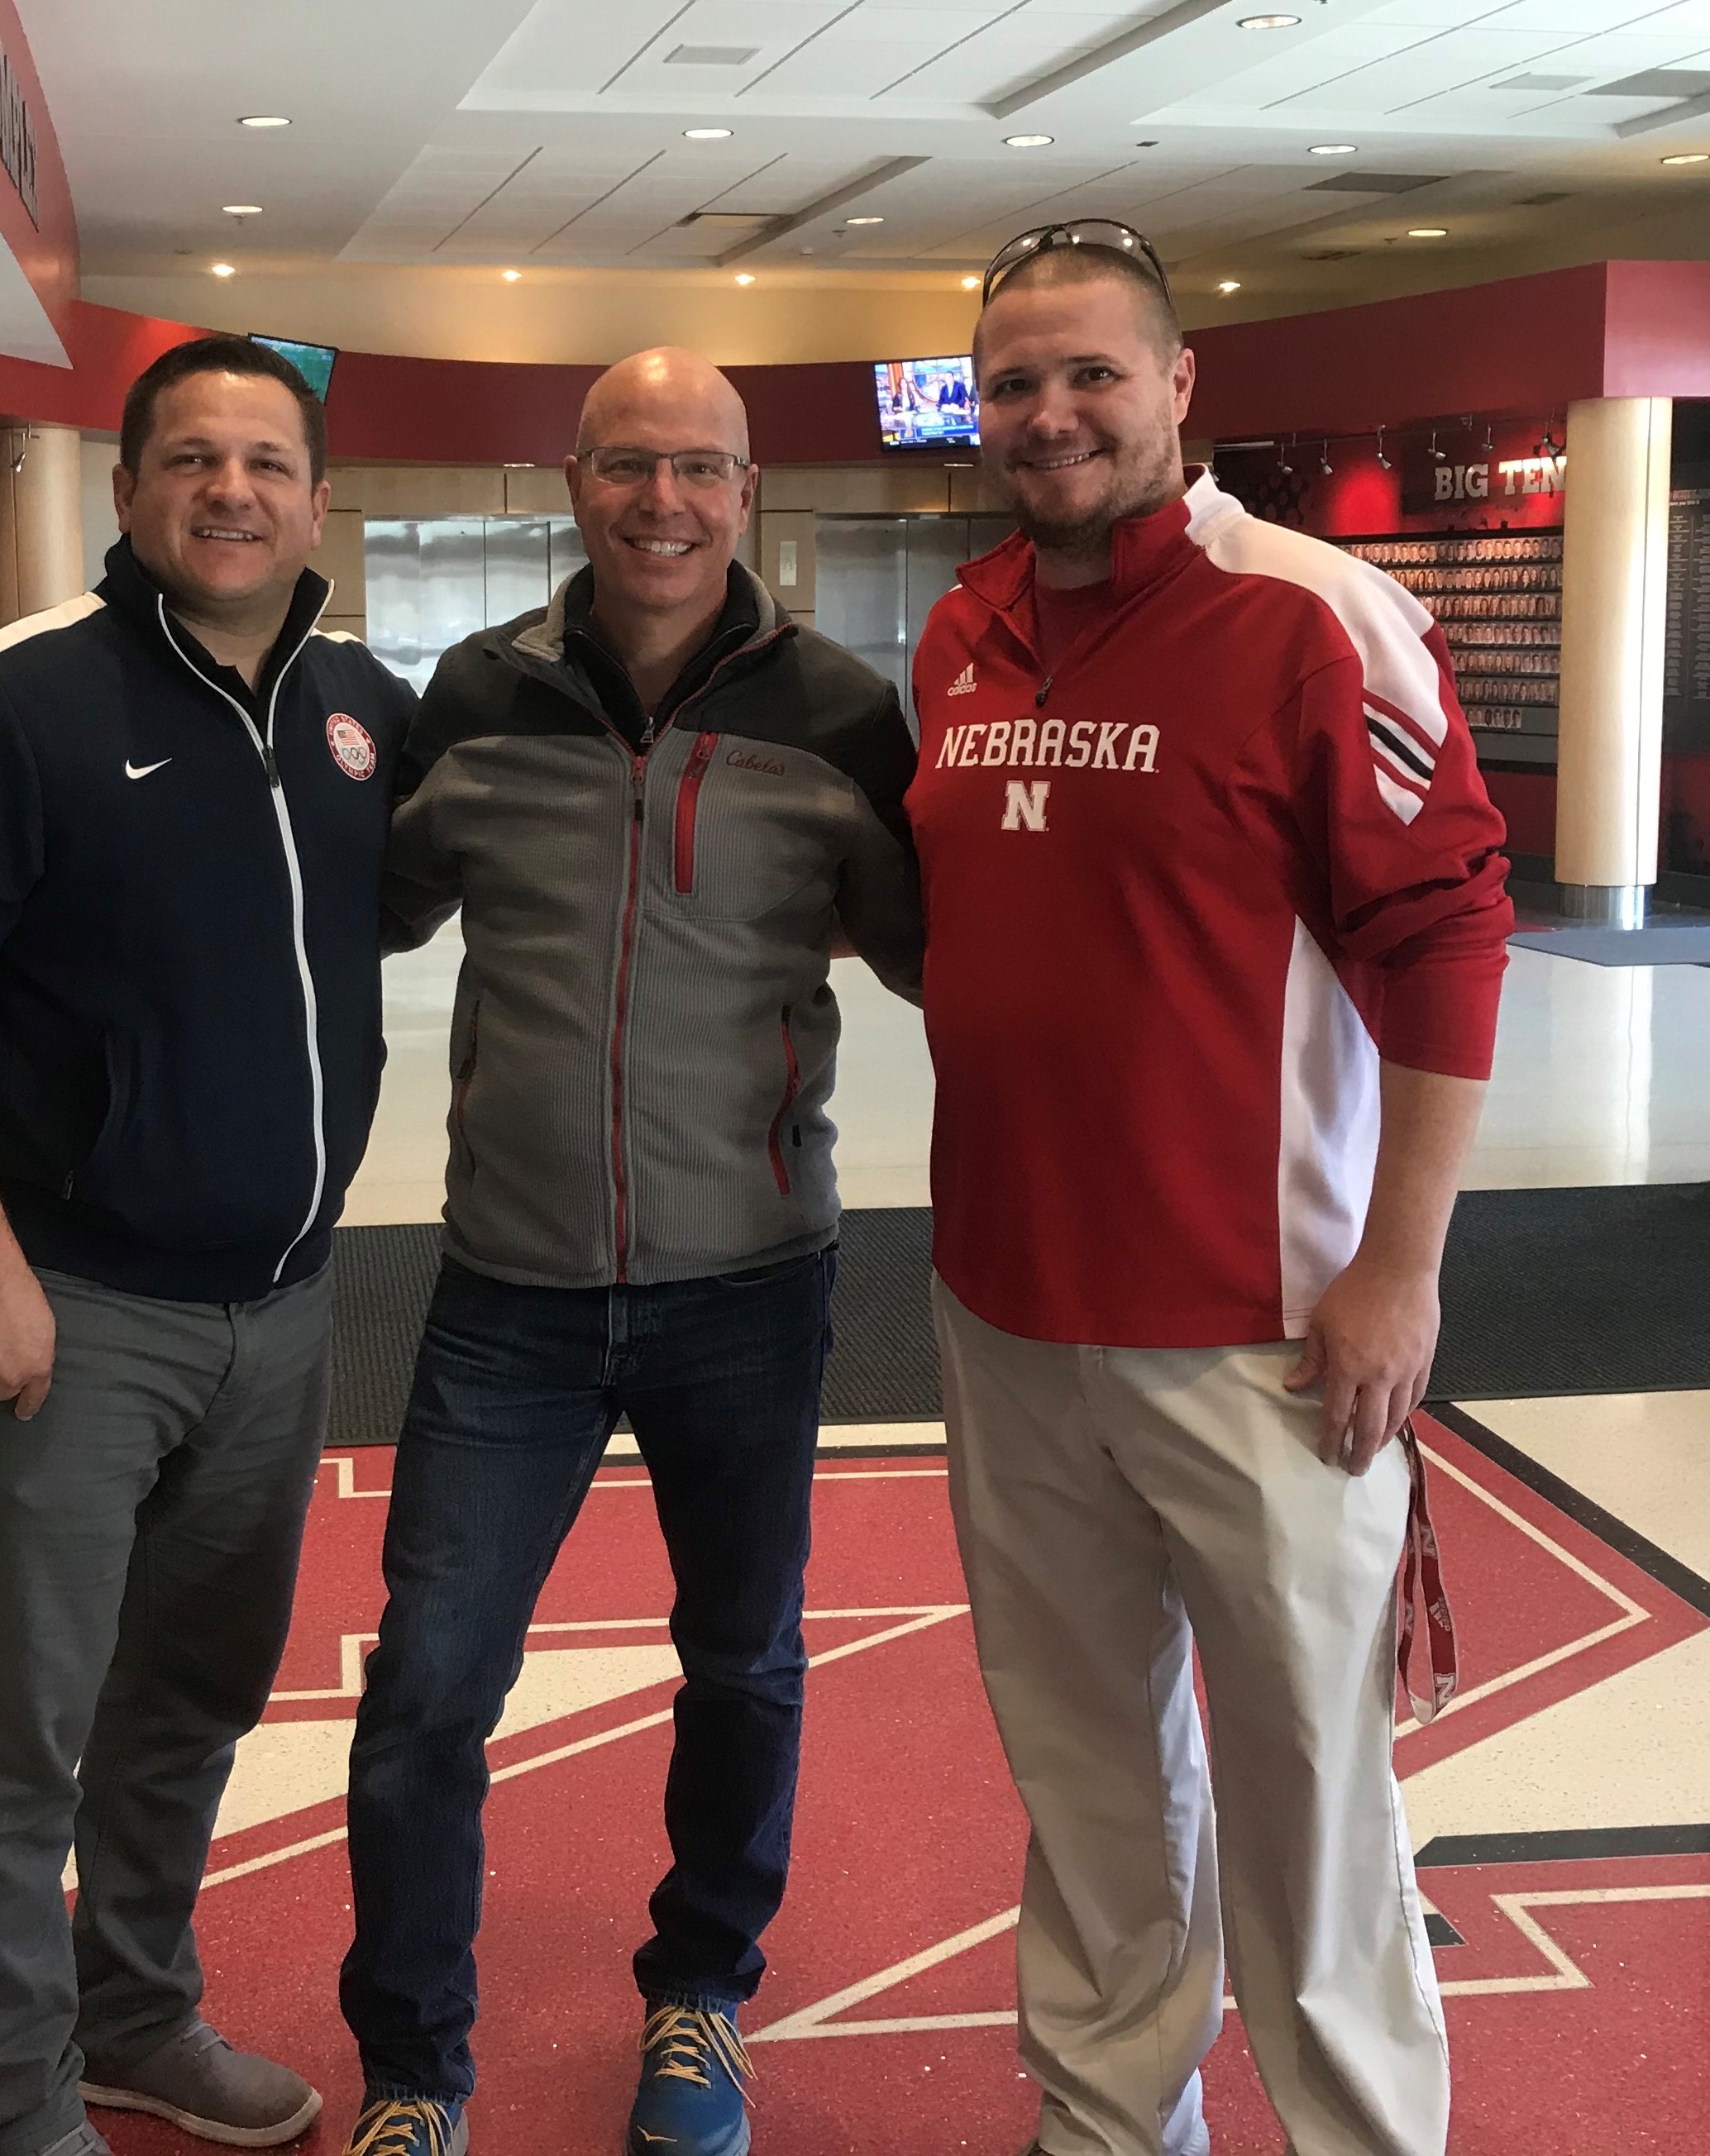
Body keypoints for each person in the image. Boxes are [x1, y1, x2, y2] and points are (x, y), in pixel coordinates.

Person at [908, 222, 1512, 2156]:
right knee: (1089, 1786)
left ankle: (1359, 2132)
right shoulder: (962, 624)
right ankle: (1108, 2120)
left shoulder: (1314, 616)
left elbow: (1445, 939)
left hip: (1262, 1333)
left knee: (1316, 1799)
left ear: (1182, 387)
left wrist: (1398, 1269)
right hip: (1008, 1316)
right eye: (1015, 383)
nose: (1053, 412)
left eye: (1093, 373)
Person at [0, 335, 414, 2156]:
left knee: (192, 1699)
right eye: (190, 458)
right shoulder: (19, 695)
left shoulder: (361, 705)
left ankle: (134, 2015)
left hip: (279, 1309)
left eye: (265, 459)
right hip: (63, 1305)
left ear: (317, 497)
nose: (229, 488)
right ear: (127, 489)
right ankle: (10, 2107)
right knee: (20, 1730)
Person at [341, 347, 924, 2156]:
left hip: (748, 1279)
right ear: (571, 485)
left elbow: (944, 957)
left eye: (696, 467)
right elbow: (353, 902)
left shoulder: (838, 714)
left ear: (749, 494)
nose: (658, 501)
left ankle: (698, 1994)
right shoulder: (475, 696)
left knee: (742, 1656)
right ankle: (413, 2072)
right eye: (623, 467)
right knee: (429, 1679)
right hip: (505, 1289)